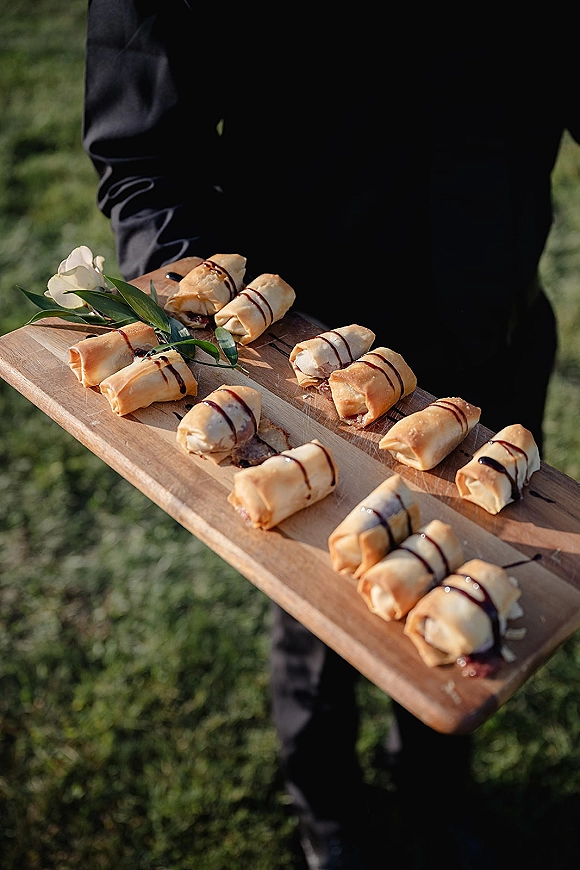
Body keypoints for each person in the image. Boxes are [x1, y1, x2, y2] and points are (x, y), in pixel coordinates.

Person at [82, 5, 579, 867]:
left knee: (467, 581)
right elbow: (144, 153)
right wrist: (229, 335)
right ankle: (329, 811)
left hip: (490, 341)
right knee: (320, 595)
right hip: (297, 360)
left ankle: (434, 789)